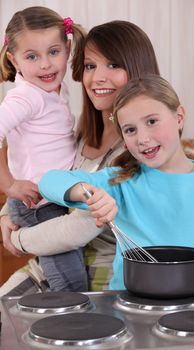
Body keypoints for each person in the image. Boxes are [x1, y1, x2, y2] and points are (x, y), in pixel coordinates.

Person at [0, 21, 160, 293]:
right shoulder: (80, 134)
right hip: (47, 267)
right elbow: (35, 164)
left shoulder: (140, 148)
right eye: (90, 66)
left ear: (138, 71)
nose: (98, 77)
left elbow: (83, 225)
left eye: (113, 65)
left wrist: (19, 238)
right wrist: (8, 210)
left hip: (102, 282)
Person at [38, 74, 194, 293]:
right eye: (130, 130)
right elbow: (49, 181)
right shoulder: (121, 181)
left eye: (151, 121)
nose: (142, 138)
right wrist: (86, 193)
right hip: (127, 312)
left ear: (179, 117)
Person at [0, 6, 88, 291]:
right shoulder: (26, 97)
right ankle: (70, 328)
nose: (46, 65)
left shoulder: (57, 89)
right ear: (14, 60)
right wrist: (9, 185)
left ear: (68, 47)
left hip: (55, 198)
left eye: (53, 52)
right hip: (38, 205)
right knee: (70, 284)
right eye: (32, 57)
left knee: (65, 275)